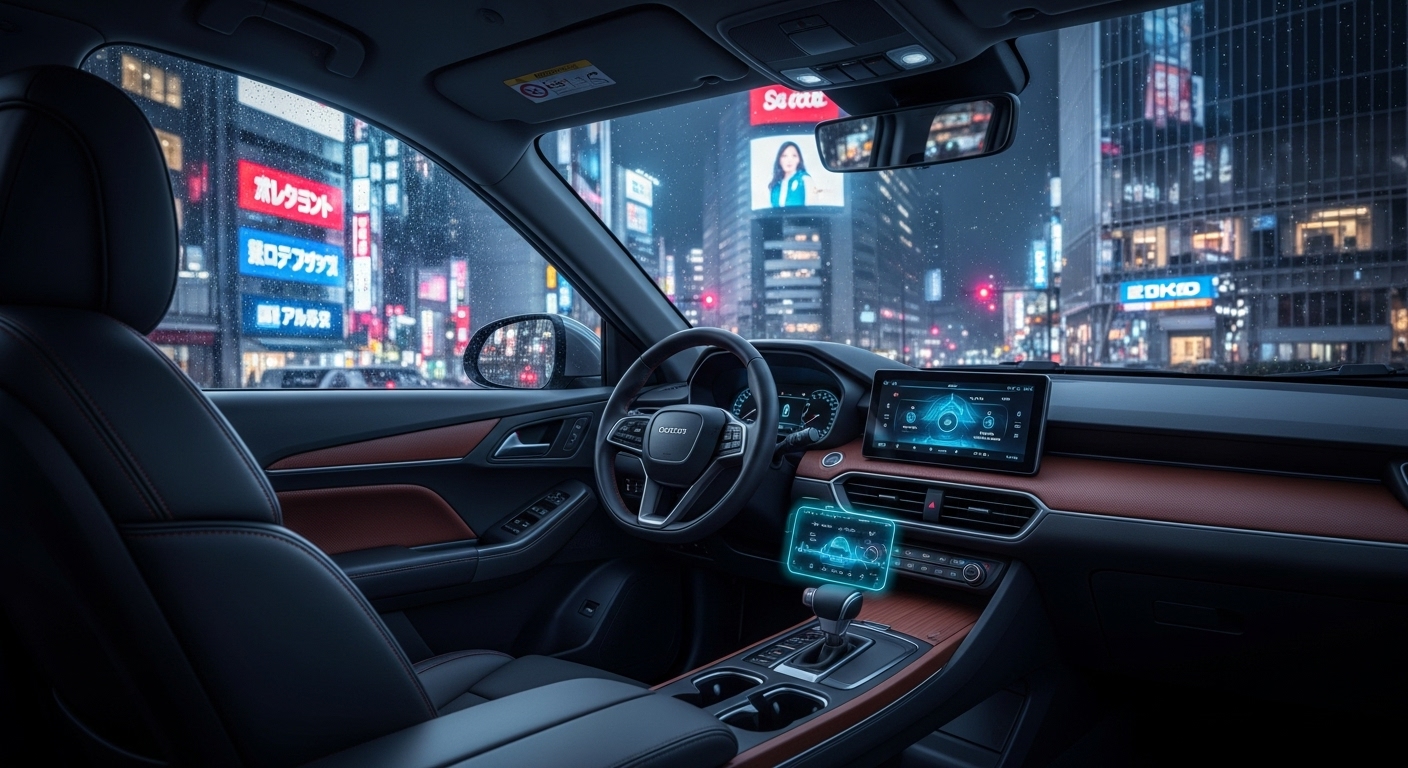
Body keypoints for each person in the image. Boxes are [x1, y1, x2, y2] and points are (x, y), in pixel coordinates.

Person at [768, 141, 809, 208]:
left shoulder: (805, 179)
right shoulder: (775, 186)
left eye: (794, 156)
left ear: (799, 159)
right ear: (779, 160)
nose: (789, 160)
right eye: (784, 156)